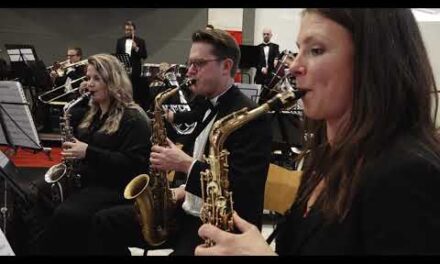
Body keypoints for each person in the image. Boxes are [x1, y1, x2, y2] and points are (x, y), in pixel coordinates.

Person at [195, 8, 440, 255]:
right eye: (298, 49)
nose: (293, 67)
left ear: (373, 59)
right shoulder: (328, 157)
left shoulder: (408, 173)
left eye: (316, 50)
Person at [89, 28, 273, 255]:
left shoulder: (250, 117)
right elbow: (203, 157)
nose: (190, 71)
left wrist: (185, 165)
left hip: (219, 223)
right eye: (190, 63)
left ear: (226, 66)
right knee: (103, 222)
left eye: (199, 64)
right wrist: (183, 189)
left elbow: (242, 188)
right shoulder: (204, 103)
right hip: (189, 208)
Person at [36, 53, 151, 255]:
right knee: (37, 193)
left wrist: (87, 152)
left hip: (117, 188)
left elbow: (133, 166)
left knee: (66, 213)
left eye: (97, 78)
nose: (89, 84)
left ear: (113, 81)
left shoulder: (134, 117)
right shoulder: (93, 113)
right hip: (93, 182)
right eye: (88, 78)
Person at [116, 20, 148, 110]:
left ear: (134, 30)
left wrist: (136, 48)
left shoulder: (140, 41)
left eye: (130, 30)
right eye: (126, 30)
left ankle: (134, 106)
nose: (128, 31)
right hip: (123, 69)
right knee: (123, 87)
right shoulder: (120, 41)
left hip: (135, 70)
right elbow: (118, 55)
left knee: (134, 88)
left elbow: (144, 55)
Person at [255, 28, 280, 104]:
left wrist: (276, 59)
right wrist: (261, 68)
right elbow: (255, 62)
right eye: (264, 34)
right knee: (259, 96)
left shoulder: (275, 46)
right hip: (260, 75)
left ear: (271, 35)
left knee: (270, 96)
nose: (266, 35)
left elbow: (278, 55)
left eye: (267, 34)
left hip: (271, 75)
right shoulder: (257, 47)